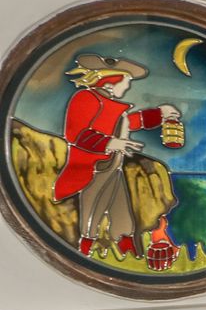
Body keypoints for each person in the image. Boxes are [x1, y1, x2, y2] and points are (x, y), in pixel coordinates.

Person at [52, 53, 181, 257]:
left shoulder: (110, 105)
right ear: (112, 80)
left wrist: (161, 113)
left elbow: (129, 122)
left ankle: (127, 251)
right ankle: (84, 251)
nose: (127, 87)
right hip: (93, 168)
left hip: (113, 166)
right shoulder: (85, 98)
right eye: (126, 81)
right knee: (92, 210)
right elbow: (76, 133)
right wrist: (111, 142)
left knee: (121, 212)